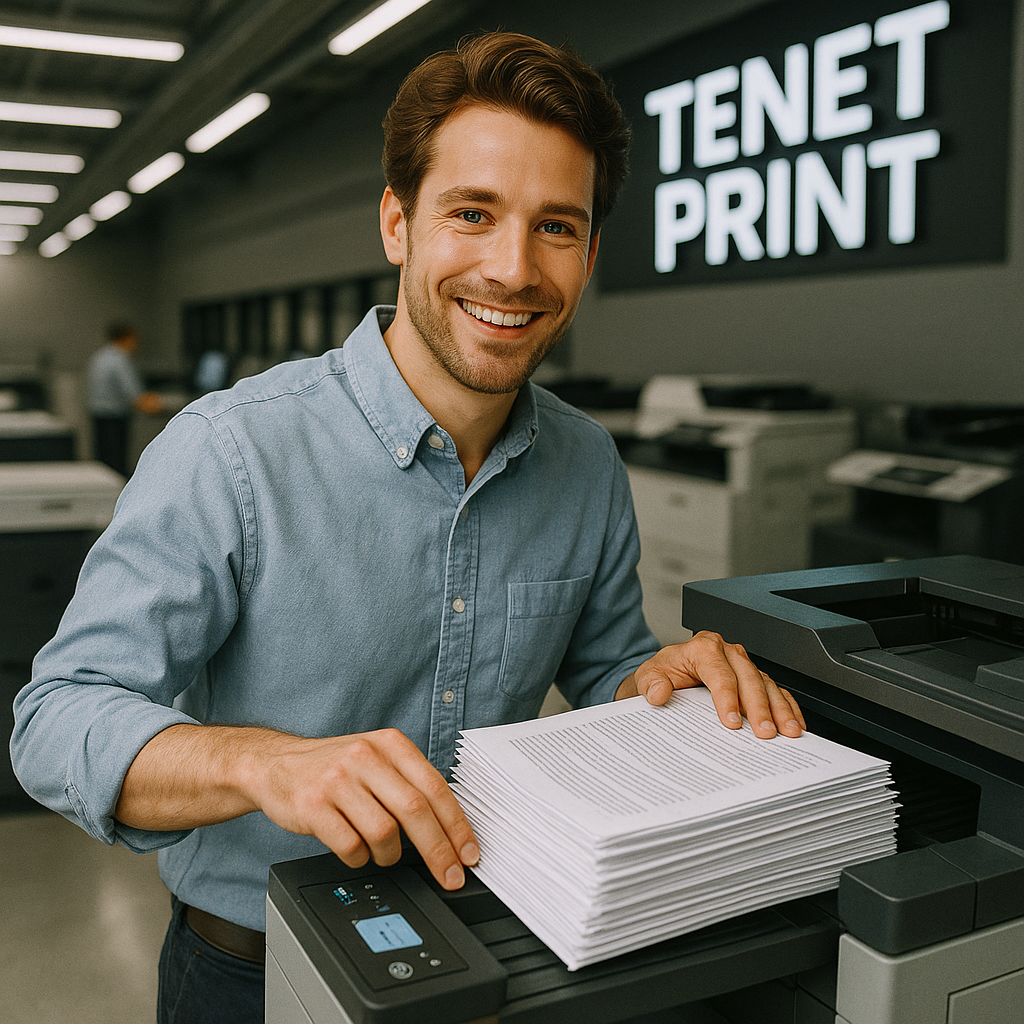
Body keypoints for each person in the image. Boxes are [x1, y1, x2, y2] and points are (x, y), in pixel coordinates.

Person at [12, 31, 805, 1023]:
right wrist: (263, 761)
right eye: (471, 213)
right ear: (398, 224)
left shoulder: (587, 463)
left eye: (555, 227)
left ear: (590, 253)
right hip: (254, 972)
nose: (513, 269)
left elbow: (605, 670)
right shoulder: (231, 451)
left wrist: (662, 681)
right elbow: (57, 718)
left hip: (497, 948)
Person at [86, 323, 164, 476]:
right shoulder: (119, 359)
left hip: (99, 416)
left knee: (104, 462)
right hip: (114, 418)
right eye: (135, 339)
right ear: (126, 338)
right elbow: (135, 396)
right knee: (116, 466)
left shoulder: (100, 356)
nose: (137, 344)